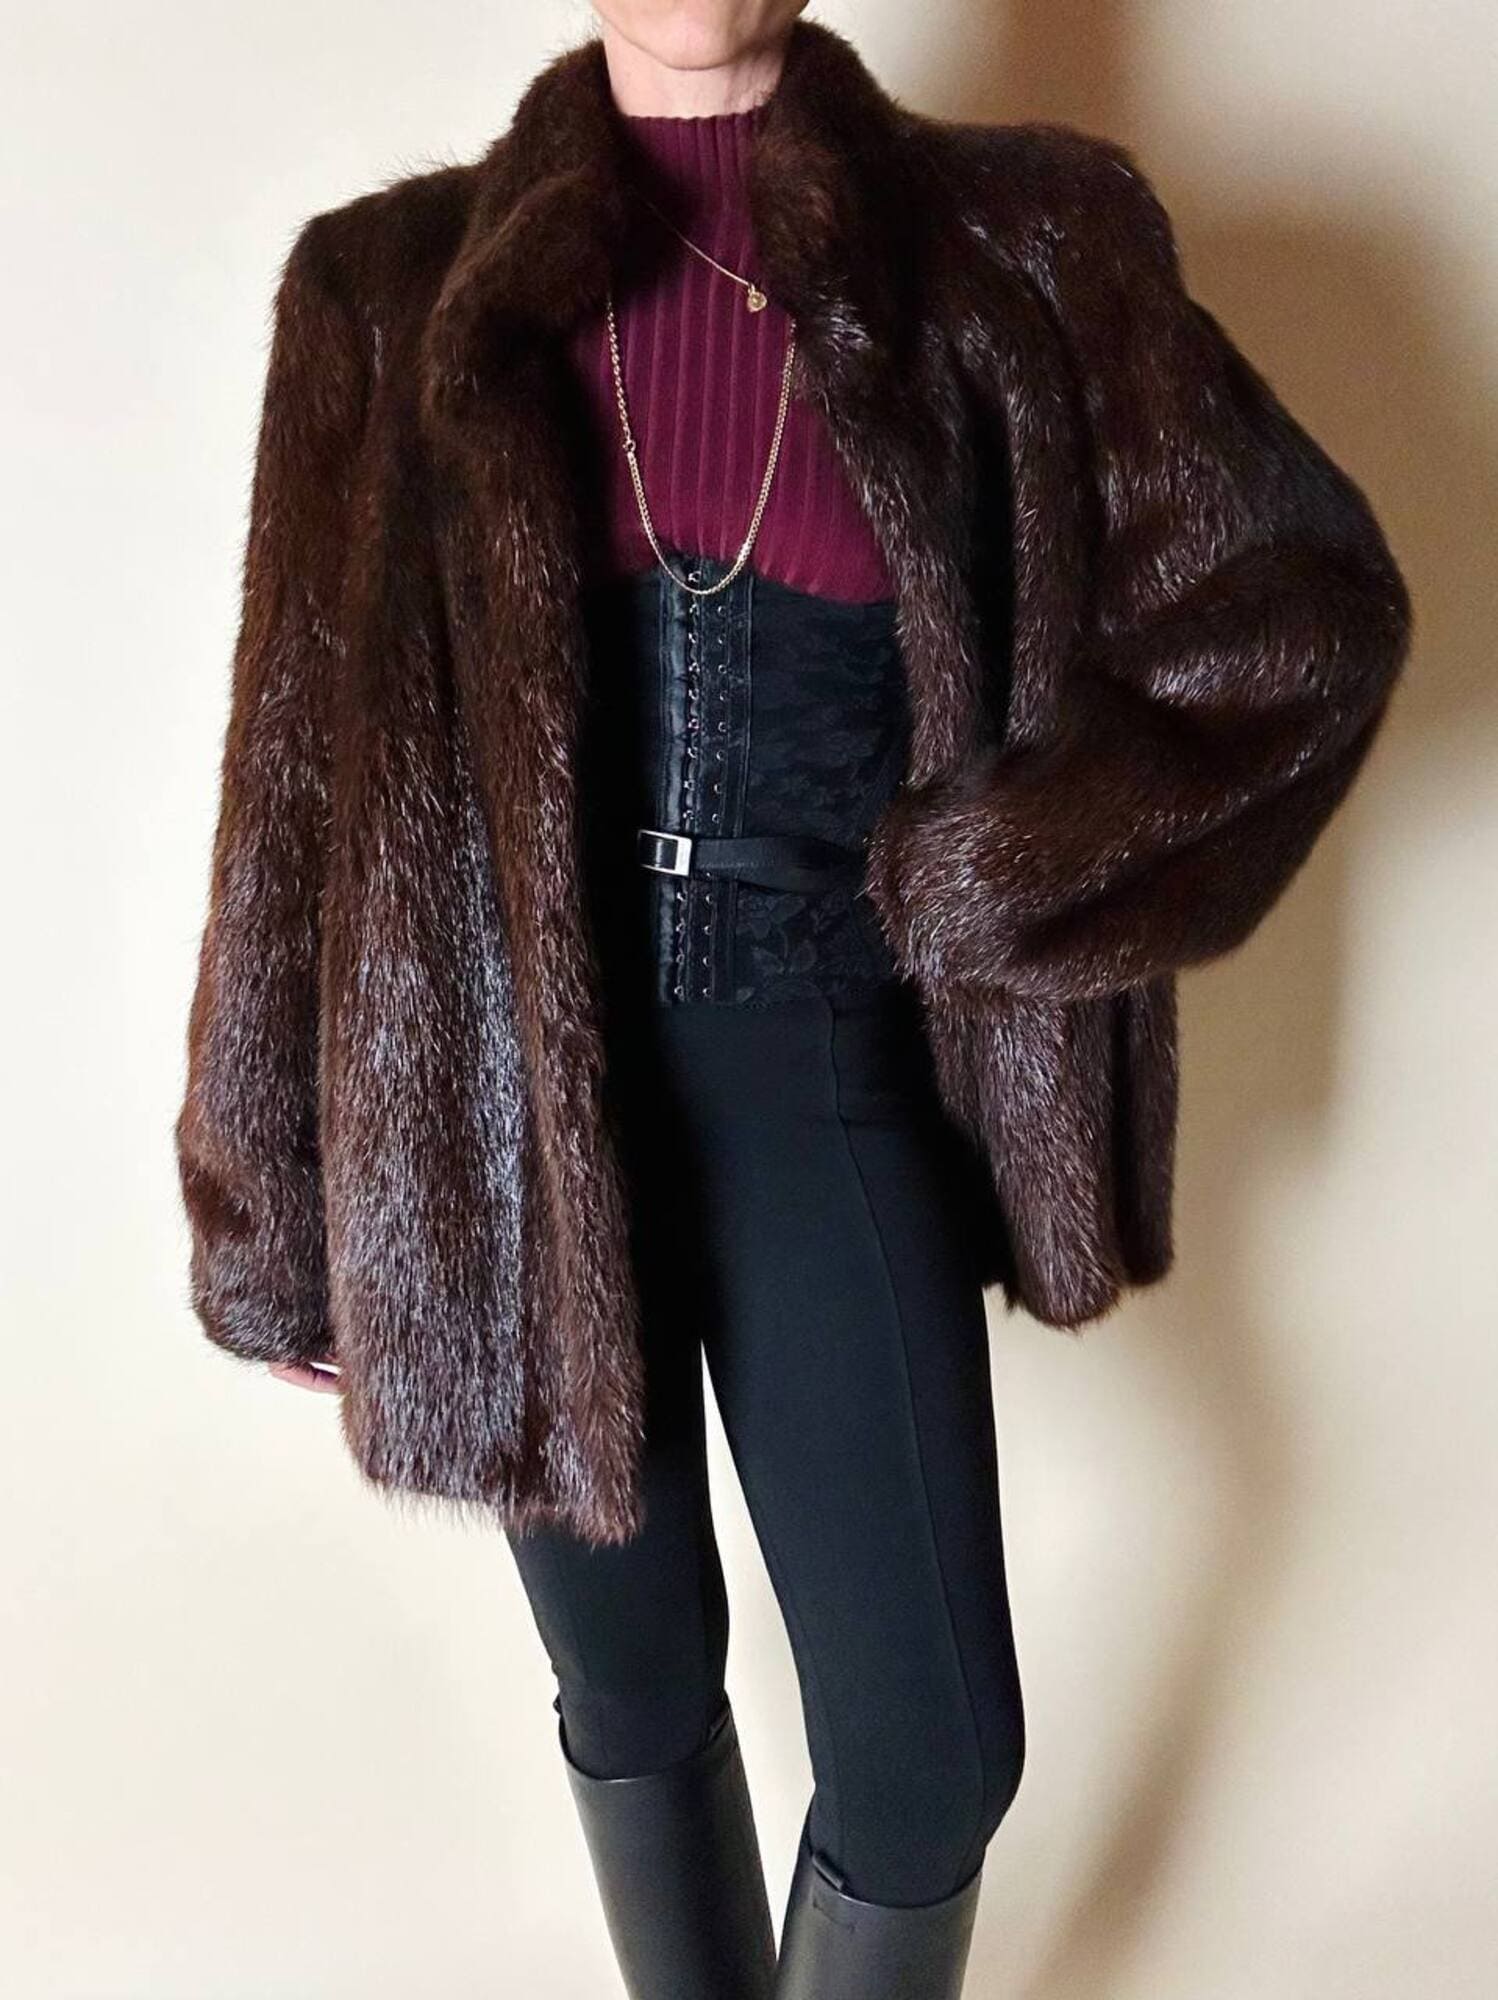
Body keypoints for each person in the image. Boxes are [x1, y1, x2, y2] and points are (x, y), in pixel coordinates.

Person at [172, 6, 1412, 1996]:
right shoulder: (382, 290)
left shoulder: (1019, 249)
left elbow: (1298, 621)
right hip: (501, 1120)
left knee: (927, 1759)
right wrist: (278, 1217)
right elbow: (295, 779)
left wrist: (1002, 867)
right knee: (631, 1679)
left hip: (822, 1076)